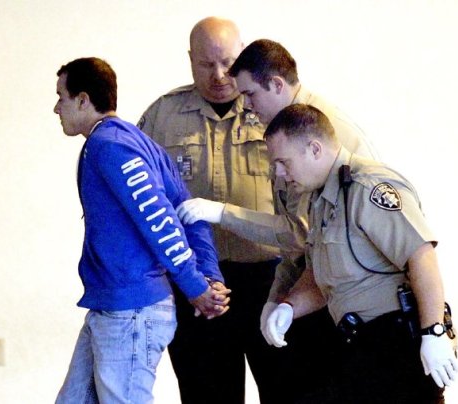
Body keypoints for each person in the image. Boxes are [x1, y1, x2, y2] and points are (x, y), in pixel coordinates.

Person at [176, 39, 378, 401]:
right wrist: (277, 297)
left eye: (250, 95)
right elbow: (297, 239)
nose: (247, 107)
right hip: (313, 286)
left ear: (276, 85)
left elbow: (299, 233)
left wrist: (223, 213)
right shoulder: (286, 133)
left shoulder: (318, 131)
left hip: (350, 301)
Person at [53, 57, 229, 404]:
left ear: (84, 99)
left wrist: (197, 285)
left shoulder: (111, 146)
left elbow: (159, 218)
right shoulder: (134, 142)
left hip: (130, 313)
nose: (56, 107)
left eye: (62, 96)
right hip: (113, 307)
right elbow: (188, 212)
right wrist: (209, 273)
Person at [137, 18, 292, 404]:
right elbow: (141, 201)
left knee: (288, 390)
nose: (220, 75)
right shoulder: (162, 117)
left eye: (227, 62)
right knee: (207, 394)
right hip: (196, 288)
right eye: (206, 64)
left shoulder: (271, 108)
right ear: (190, 60)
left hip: (271, 279)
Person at [263, 104, 458, 403]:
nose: (279, 173)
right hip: (360, 345)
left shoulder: (368, 187)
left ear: (314, 149)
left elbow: (420, 255)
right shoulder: (321, 200)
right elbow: (320, 276)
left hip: (397, 344)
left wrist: (433, 332)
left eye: (283, 162)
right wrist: (289, 307)